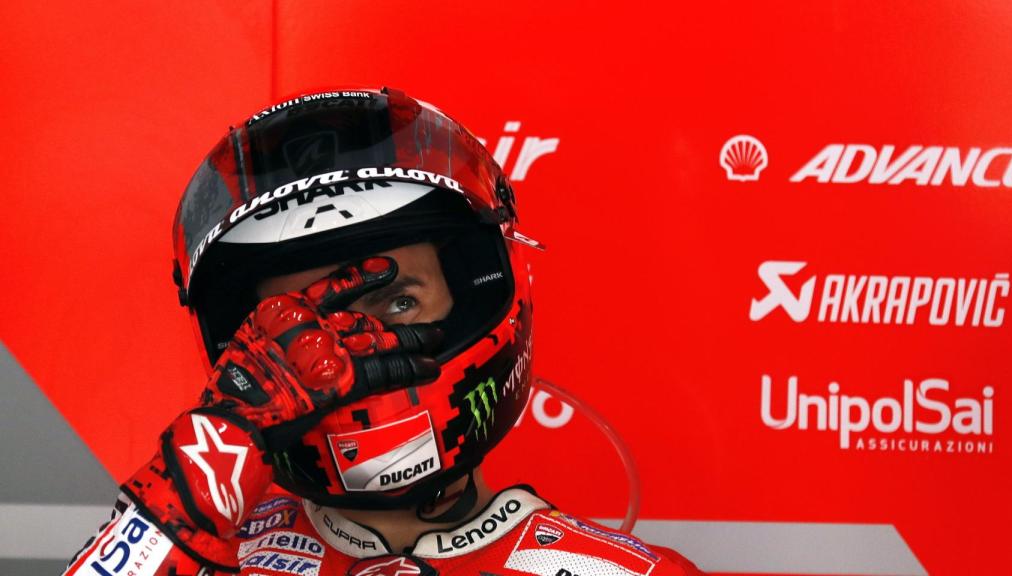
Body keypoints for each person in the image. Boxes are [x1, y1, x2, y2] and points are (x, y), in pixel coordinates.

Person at [62, 87, 705, 576]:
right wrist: (201, 473)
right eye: (297, 329)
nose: (346, 348)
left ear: (478, 296)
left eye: (397, 300)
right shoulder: (200, 552)